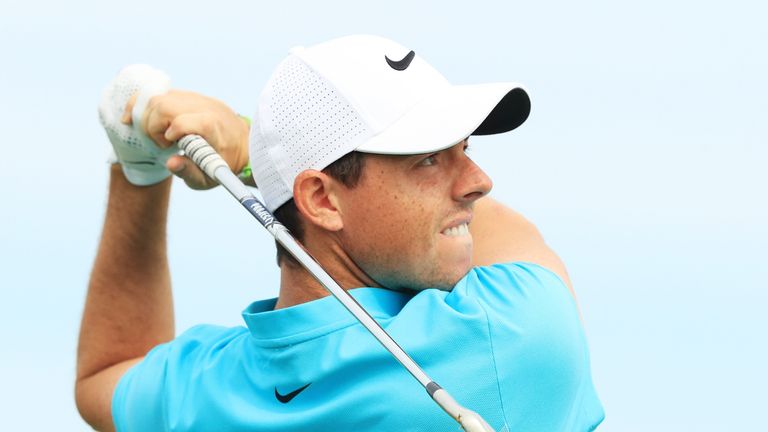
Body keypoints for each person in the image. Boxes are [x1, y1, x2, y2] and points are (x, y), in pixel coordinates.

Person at [76, 35, 604, 431]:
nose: (478, 182)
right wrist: (245, 149)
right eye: (429, 160)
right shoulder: (509, 338)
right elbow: (515, 240)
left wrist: (137, 171)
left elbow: (106, 373)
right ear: (322, 200)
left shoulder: (202, 389)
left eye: (466, 151)